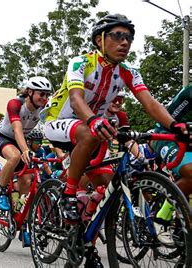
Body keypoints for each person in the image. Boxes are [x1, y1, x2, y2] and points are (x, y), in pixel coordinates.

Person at [42, 14, 190, 266]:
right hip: (62, 122)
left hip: (93, 129)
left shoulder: (128, 72)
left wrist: (174, 125)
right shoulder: (81, 62)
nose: (125, 42)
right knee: (88, 132)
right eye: (117, 36)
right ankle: (68, 193)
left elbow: (151, 104)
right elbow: (77, 100)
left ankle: (86, 245)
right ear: (99, 39)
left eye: (129, 38)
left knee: (109, 187)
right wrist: (93, 120)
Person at [0, 76, 52, 212]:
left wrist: (61, 152)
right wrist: (25, 150)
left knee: (26, 180)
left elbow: (51, 128)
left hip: (21, 141)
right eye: (41, 94)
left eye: (47, 94)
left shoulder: (44, 108)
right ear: (30, 92)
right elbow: (17, 130)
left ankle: (23, 223)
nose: (44, 98)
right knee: (15, 156)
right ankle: (1, 191)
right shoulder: (15, 104)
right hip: (4, 137)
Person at [150, 84, 192, 226]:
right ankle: (165, 211)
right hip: (167, 135)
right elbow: (168, 121)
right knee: (191, 172)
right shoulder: (189, 93)